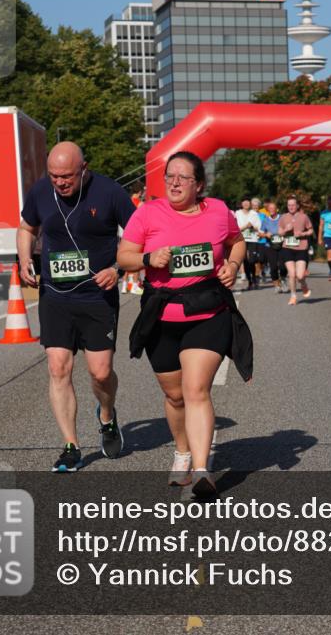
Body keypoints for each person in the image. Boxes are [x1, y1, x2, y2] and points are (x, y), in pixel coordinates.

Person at [118, 151, 252, 497]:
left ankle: (204, 470)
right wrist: (147, 258)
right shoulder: (148, 212)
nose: (174, 183)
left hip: (207, 312)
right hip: (160, 315)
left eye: (183, 178)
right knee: (174, 395)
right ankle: (182, 451)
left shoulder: (219, 211)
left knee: (195, 390)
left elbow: (237, 243)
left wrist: (233, 266)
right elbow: (124, 256)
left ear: (199, 184)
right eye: (169, 177)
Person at [17, 141, 135, 472]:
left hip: (97, 296)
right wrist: (25, 259)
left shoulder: (110, 192)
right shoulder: (40, 191)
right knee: (58, 367)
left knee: (99, 373)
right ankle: (71, 446)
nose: (60, 183)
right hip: (55, 295)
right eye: (54, 176)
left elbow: (139, 234)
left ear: (84, 169)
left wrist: (118, 268)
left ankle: (108, 416)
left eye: (67, 176)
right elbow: (26, 227)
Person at [277, 196, 314, 305]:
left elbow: (311, 230)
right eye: (289, 205)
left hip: (301, 248)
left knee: (300, 275)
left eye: (293, 205)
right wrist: (285, 230)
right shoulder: (283, 217)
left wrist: (303, 234)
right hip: (287, 248)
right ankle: (293, 296)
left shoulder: (304, 217)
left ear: (297, 206)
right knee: (292, 274)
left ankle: (304, 285)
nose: (291, 207)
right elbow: (279, 233)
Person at [259, 201, 288, 294]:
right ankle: (276, 285)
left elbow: (289, 229)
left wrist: (284, 231)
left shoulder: (283, 218)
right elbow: (260, 233)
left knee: (283, 266)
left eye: (273, 208)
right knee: (273, 267)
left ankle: (283, 280)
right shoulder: (265, 220)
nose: (271, 210)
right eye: (269, 208)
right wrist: (266, 234)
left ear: (277, 209)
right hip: (270, 246)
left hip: (282, 245)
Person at [121, 189, 146, 295]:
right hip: (135, 234)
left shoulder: (127, 200)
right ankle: (134, 285)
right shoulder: (137, 202)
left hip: (124, 232)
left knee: (127, 263)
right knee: (136, 261)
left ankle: (124, 285)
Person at [234, 198, 262, 290]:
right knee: (245, 261)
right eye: (244, 202)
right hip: (241, 239)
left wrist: (252, 227)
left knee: (252, 260)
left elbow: (259, 227)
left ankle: (254, 278)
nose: (246, 203)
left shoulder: (254, 214)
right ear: (241, 203)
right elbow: (235, 228)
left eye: (247, 202)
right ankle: (250, 281)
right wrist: (246, 226)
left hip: (253, 239)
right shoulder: (237, 214)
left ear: (250, 203)